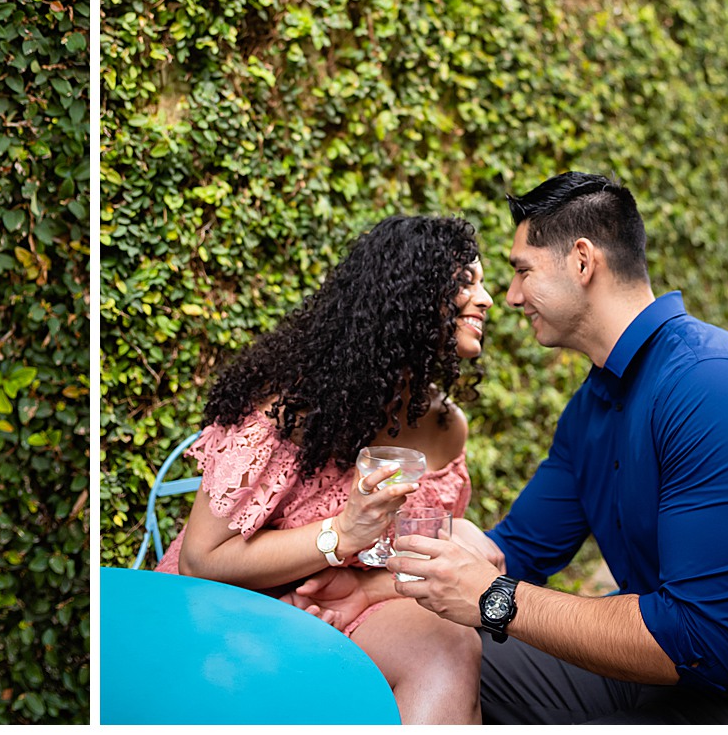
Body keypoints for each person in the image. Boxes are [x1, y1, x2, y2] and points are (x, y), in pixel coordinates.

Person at [366, 172, 728, 724]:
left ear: (583, 262)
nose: (511, 297)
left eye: (522, 271)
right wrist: (370, 591)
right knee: (420, 648)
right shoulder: (592, 405)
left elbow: (697, 642)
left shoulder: (719, 388)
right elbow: (520, 550)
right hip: (643, 678)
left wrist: (495, 597)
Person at [153, 215, 494, 723]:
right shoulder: (293, 407)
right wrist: (341, 532)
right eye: (466, 282)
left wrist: (359, 595)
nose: (487, 298)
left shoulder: (446, 426)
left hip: (351, 609)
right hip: (234, 603)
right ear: (408, 298)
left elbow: (415, 564)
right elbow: (201, 561)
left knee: (449, 645)